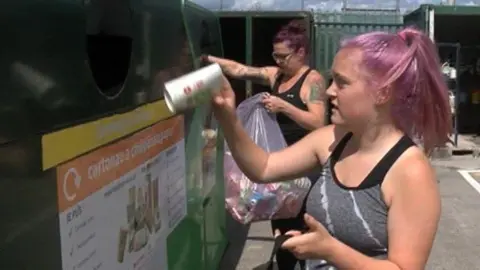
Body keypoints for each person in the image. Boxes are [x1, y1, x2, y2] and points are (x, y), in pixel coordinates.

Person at [211, 27, 451, 269]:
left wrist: (330, 250)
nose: (328, 91)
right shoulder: (332, 139)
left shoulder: (410, 171)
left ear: (382, 93)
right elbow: (263, 168)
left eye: (342, 83)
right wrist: (228, 118)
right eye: (332, 80)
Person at [204, 19, 327, 270]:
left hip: (305, 167)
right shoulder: (275, 75)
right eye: (275, 55)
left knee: (300, 225)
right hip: (280, 164)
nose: (278, 61)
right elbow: (240, 70)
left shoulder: (312, 81)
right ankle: (284, 262)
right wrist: (207, 60)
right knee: (280, 220)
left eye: (283, 56)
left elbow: (318, 123)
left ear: (301, 53)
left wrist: (285, 107)